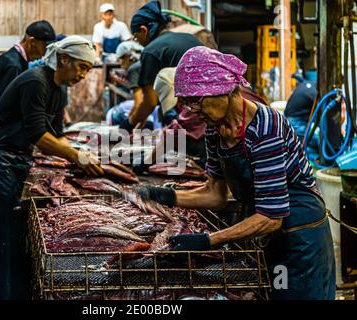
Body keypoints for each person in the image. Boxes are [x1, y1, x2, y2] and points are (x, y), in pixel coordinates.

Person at [138, 47, 336, 300]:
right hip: (265, 230)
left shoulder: (266, 128)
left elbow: (271, 216)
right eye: (186, 102)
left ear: (226, 91)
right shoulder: (214, 129)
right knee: (274, 291)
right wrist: (165, 196)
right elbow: (215, 194)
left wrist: (207, 241)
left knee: (295, 293)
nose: (192, 110)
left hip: (299, 235)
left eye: (196, 100)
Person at [0, 36, 103, 300]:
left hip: (17, 163)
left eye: (88, 70)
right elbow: (39, 136)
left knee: (11, 242)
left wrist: (84, 152)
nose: (83, 75)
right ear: (64, 59)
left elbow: (56, 133)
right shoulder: (36, 80)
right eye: (81, 67)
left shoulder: (57, 88)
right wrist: (77, 157)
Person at [125, 0, 202, 132]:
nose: (138, 42)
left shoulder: (151, 50)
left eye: (136, 38)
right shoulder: (190, 38)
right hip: (212, 112)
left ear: (144, 30)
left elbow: (150, 102)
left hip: (189, 118)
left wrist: (127, 125)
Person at [0, 20, 56, 148]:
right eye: (45, 48)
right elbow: (6, 109)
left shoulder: (17, 60)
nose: (44, 55)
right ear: (32, 42)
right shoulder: (13, 66)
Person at [106, 40, 155, 129]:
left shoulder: (134, 69)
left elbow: (139, 103)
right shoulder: (148, 64)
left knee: (112, 114)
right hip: (153, 111)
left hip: (152, 113)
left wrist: (129, 125)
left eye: (121, 59)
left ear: (129, 57)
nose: (120, 63)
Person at [284, 80, 320, 161]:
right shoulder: (314, 93)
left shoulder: (308, 85)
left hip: (289, 119)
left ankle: (311, 157)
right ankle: (314, 159)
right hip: (294, 122)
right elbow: (321, 116)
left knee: (310, 142)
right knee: (318, 141)